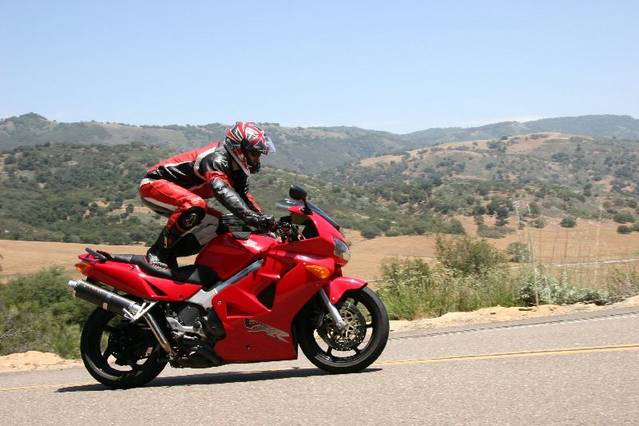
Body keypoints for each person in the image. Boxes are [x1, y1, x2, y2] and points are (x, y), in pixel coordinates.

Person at [139, 121, 276, 269]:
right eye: (254, 154)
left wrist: (266, 224)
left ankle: (171, 254)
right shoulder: (216, 158)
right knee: (195, 205)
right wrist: (253, 218)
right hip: (153, 184)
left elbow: (243, 196)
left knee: (223, 224)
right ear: (239, 148)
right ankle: (158, 252)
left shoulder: (238, 168)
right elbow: (221, 190)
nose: (257, 160)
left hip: (182, 197)